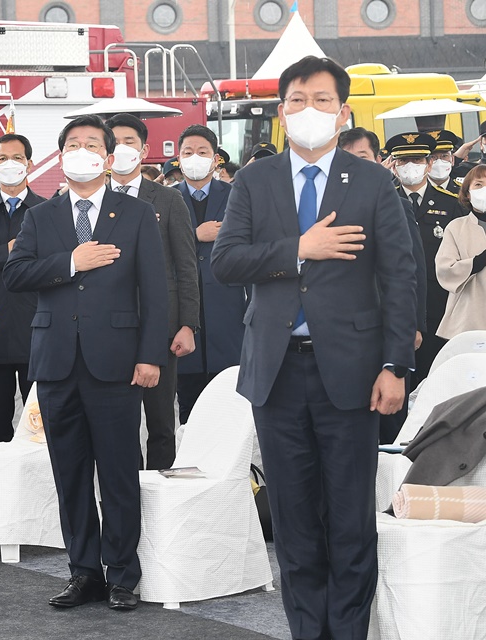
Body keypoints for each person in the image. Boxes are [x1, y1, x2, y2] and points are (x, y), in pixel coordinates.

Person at [210, 56, 416, 639]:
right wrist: (299, 247)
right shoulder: (254, 179)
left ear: (343, 110)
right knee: (295, 519)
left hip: (353, 373)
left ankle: (348, 632)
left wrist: (395, 365)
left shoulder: (373, 181)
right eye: (298, 100)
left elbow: (402, 279)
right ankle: (308, 631)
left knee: (350, 517)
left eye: (323, 100)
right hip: (276, 373)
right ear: (281, 113)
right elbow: (226, 261)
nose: (310, 110)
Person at [4, 114, 168, 611]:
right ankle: (83, 572)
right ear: (60, 155)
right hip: (56, 363)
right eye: (72, 143)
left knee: (118, 473)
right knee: (69, 474)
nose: (82, 151)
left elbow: (155, 292)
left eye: (92, 143)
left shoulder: (135, 213)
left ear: (110, 154)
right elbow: (15, 274)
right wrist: (73, 261)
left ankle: (122, 575)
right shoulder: (41, 216)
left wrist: (150, 357)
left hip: (118, 364)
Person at [105, 113, 199, 468]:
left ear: (144, 150)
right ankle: (124, 498)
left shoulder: (168, 200)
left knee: (161, 423)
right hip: (110, 327)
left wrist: (188, 323)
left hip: (161, 326)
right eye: (113, 142)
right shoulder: (90, 200)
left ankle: (161, 496)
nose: (121, 149)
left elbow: (186, 267)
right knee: (118, 423)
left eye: (129, 142)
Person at [340, 127, 428, 444]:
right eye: (346, 159)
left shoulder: (394, 203)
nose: (354, 166)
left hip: (386, 331)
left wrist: (413, 327)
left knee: (389, 430)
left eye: (362, 157)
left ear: (378, 160)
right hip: (347, 341)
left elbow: (412, 270)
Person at [174, 124, 247, 424]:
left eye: (202, 152)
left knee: (230, 410)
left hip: (228, 313)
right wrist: (195, 235)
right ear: (178, 158)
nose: (195, 158)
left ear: (216, 159)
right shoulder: (166, 199)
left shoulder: (237, 196)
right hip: (183, 316)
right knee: (189, 415)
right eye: (188, 152)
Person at [0, 133, 47, 442]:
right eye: (3, 159)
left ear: (29, 164)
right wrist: (8, 252)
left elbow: (53, 265)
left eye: (17, 158)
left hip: (37, 326)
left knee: (40, 423)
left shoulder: (47, 211)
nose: (10, 165)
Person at [384, 132, 464, 385]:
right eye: (403, 161)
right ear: (394, 165)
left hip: (440, 302)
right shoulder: (384, 201)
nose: (410, 167)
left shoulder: (452, 204)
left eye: (417, 160)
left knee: (438, 377)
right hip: (395, 301)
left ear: (429, 164)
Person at [436, 165, 486, 338]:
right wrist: (477, 262)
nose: (484, 189)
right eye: (478, 185)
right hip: (468, 317)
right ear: (467, 193)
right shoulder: (456, 227)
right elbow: (444, 269)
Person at [426, 129, 462, 194]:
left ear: (452, 160)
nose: (439, 162)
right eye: (433, 157)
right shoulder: (417, 191)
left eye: (444, 156)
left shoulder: (464, 191)